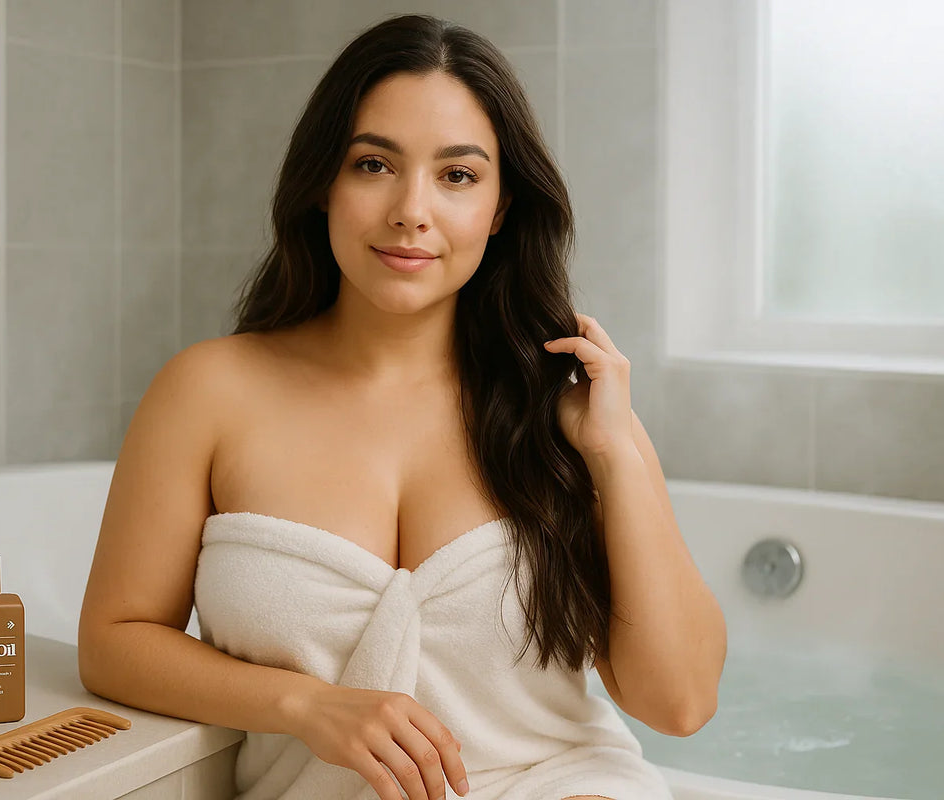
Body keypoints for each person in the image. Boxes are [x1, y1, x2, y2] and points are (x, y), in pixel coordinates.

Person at [78, 13, 726, 800]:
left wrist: (618, 456)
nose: (411, 210)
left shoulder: (565, 407)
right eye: (375, 164)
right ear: (323, 181)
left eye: (457, 176)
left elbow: (680, 704)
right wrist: (305, 705)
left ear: (500, 208)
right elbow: (114, 643)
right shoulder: (209, 391)